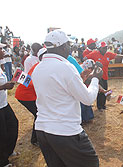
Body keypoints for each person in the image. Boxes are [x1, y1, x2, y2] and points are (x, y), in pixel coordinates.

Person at [32, 30, 102, 167]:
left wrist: (80, 80)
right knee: (91, 164)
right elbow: (87, 99)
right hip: (65, 132)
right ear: (63, 47)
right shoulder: (65, 67)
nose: (70, 48)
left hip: (42, 130)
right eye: (68, 45)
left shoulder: (38, 68)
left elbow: (58, 91)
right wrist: (95, 79)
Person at [0, 39, 18, 167]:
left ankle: (7, 151)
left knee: (13, 125)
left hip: (2, 104)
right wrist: (3, 87)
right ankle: (0, 162)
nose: (3, 51)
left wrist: (11, 82)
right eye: (0, 49)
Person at [14, 47, 46, 146]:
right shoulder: (39, 66)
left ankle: (37, 138)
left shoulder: (40, 65)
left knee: (39, 114)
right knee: (39, 114)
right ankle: (35, 139)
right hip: (25, 95)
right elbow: (30, 81)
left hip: (28, 94)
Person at [85, 41, 117, 112]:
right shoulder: (94, 53)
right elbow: (85, 58)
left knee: (105, 89)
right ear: (99, 48)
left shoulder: (108, 54)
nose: (105, 49)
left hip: (105, 75)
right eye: (103, 48)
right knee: (100, 91)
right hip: (98, 76)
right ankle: (99, 106)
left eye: (106, 48)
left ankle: (103, 105)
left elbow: (116, 55)